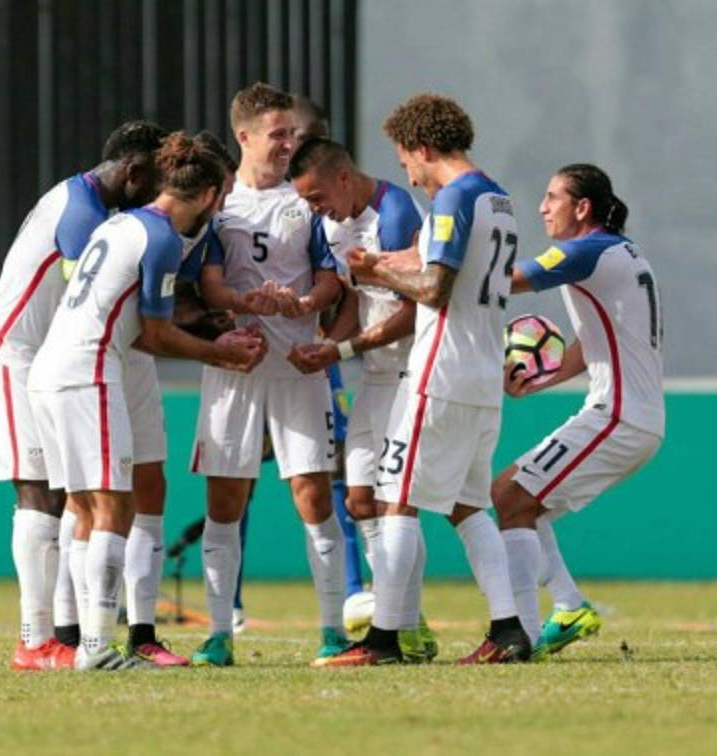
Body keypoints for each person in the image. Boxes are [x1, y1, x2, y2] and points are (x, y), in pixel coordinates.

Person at [28, 131, 264, 670]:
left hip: (52, 370)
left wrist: (208, 335)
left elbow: (136, 323)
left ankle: (88, 641)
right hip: (89, 372)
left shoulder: (120, 223)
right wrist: (219, 353)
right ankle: (94, 647)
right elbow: (154, 336)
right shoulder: (159, 237)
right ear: (207, 194)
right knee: (116, 505)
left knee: (88, 508)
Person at [319, 93, 531, 666]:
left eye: (404, 158)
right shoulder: (497, 198)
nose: (405, 172)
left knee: (395, 500)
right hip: (483, 374)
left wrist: (379, 271)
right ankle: (510, 631)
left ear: (423, 147)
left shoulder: (451, 198)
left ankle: (384, 640)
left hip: (439, 372)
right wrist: (388, 262)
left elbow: (435, 289)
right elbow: (450, 269)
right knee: (467, 506)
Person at [0, 120, 166, 670]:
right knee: (39, 495)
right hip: (7, 351)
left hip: (33, 357)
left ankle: (54, 636)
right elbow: (89, 298)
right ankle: (34, 640)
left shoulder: (87, 200)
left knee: (57, 494)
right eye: (154, 181)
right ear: (133, 170)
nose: (157, 195)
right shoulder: (82, 212)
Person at [188, 82, 345, 667]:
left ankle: (333, 630)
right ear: (245, 136)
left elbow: (330, 280)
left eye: (293, 134)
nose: (289, 144)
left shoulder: (305, 201)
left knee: (313, 495)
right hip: (235, 366)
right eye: (278, 134)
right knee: (225, 500)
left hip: (298, 366)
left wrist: (302, 307)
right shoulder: (219, 204)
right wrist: (244, 306)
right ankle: (218, 633)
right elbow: (207, 283)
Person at [493, 164, 665, 659]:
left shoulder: (586, 250)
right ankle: (566, 604)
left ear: (582, 208)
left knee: (508, 495)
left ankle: (521, 634)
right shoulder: (619, 254)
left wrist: (434, 268)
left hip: (619, 416)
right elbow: (595, 341)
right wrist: (542, 378)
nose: (543, 207)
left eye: (552, 198)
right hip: (630, 415)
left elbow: (508, 280)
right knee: (522, 501)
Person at [285, 137, 437, 659]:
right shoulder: (335, 224)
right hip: (372, 376)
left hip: (409, 375)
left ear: (344, 178)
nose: (315, 209)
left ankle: (405, 627)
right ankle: (405, 617)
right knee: (359, 499)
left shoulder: (394, 215)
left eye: (318, 196)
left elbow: (416, 309)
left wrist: (343, 347)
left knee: (399, 503)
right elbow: (355, 298)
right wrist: (329, 345)